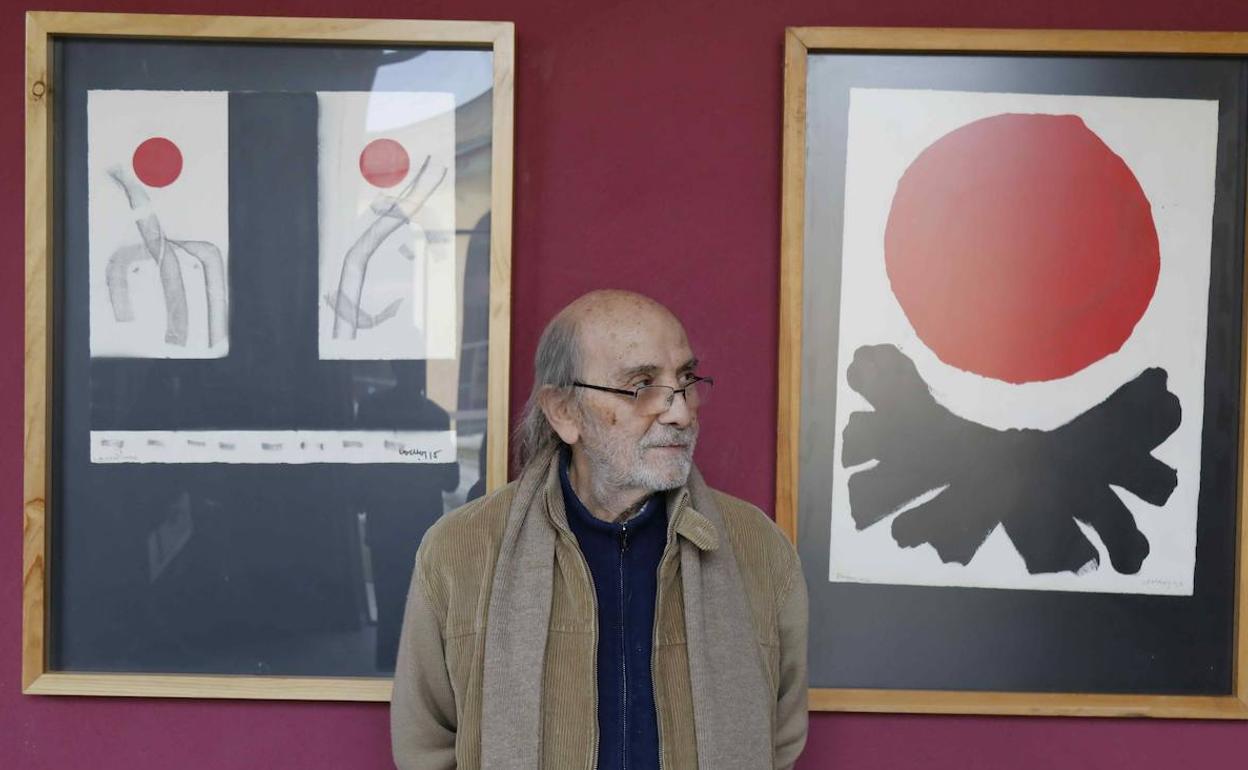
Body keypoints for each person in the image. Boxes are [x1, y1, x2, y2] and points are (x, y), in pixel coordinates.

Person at [391, 290, 808, 769]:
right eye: (642, 385)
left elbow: (780, 739)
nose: (681, 412)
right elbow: (425, 747)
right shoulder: (459, 551)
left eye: (685, 379)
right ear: (564, 412)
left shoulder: (758, 548)